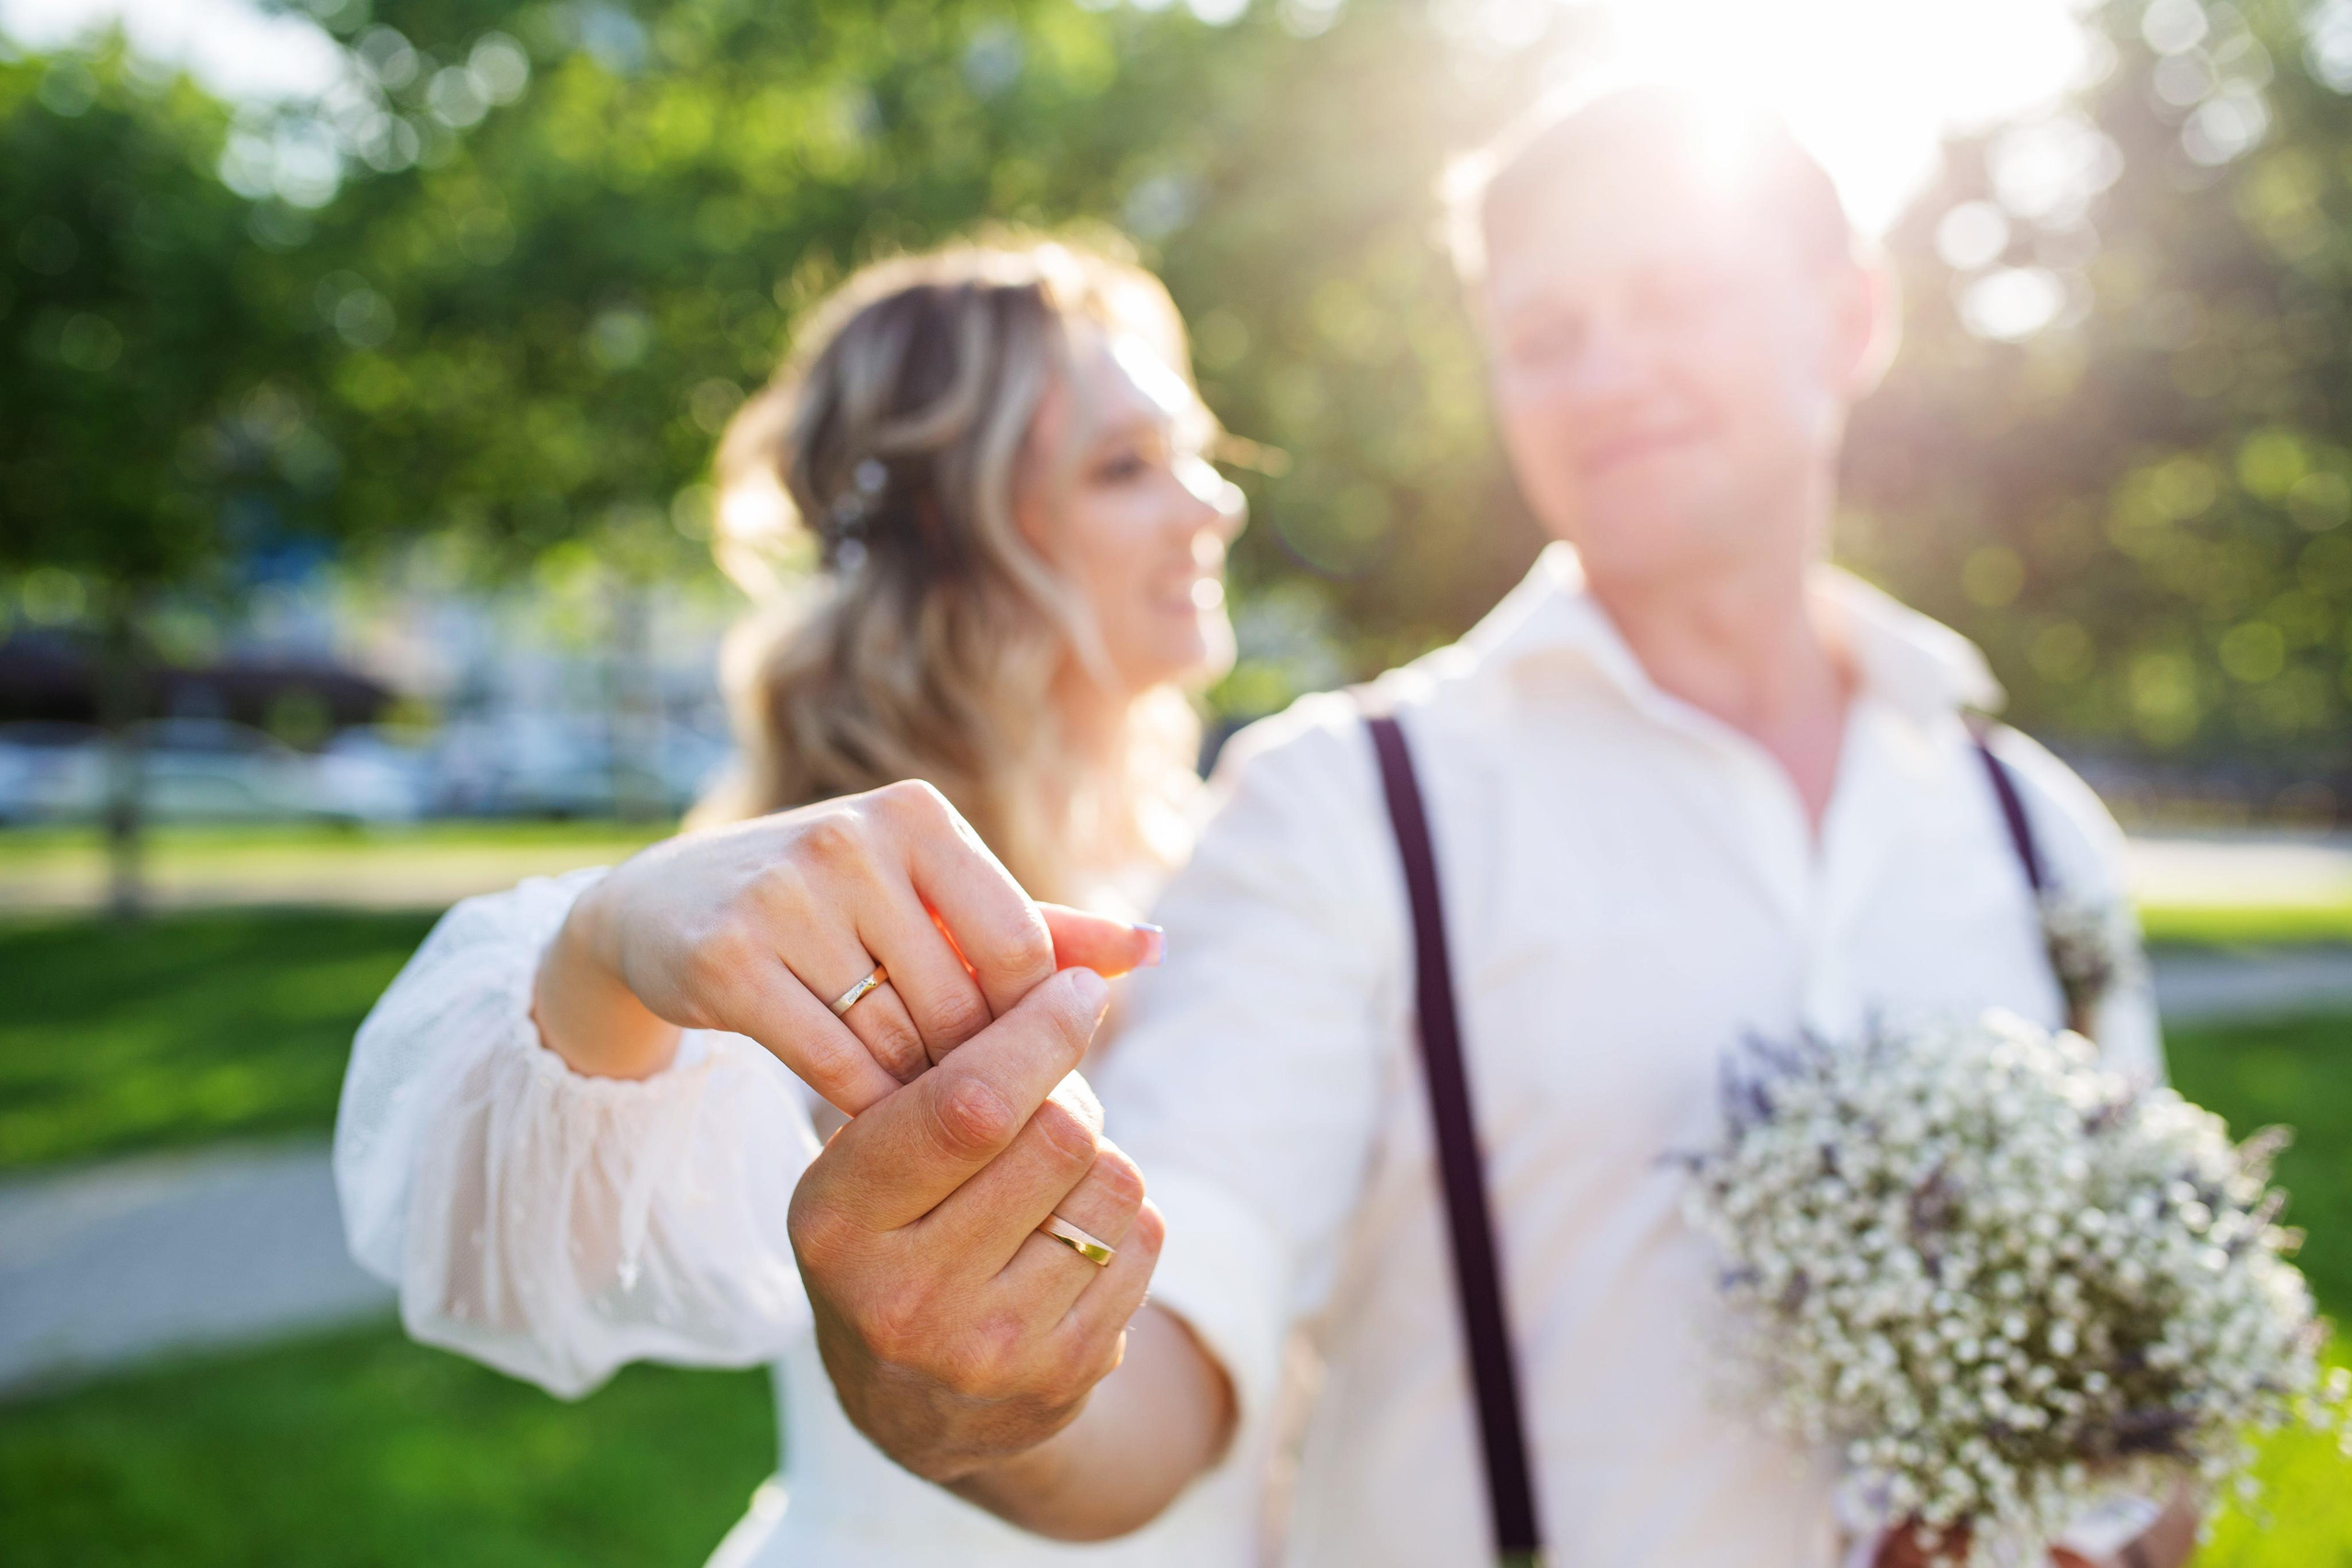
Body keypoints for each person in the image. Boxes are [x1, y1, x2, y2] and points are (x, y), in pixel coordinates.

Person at [777, 87, 2202, 1568]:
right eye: (1543, 337)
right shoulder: (1349, 806)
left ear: (1849, 320)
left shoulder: (2032, 825)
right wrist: (961, 1391)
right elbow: (1178, 1345)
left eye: (1672, 300)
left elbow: (2147, 1379)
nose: (1606, 376)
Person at [333, 238, 1254, 1565]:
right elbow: (493, 1271)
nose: (1210, 504)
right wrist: (605, 945)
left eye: (1193, 448)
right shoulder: (819, 929)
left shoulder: (1245, 852)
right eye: (1125, 467)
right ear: (961, 542)